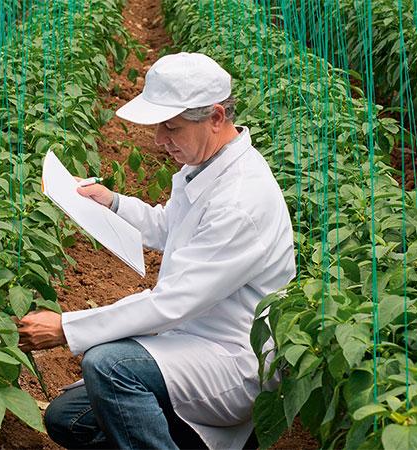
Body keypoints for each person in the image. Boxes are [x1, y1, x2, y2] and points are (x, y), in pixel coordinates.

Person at [16, 52, 296, 450]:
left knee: (109, 368)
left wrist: (66, 327)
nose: (159, 141)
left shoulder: (240, 200)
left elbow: (172, 303)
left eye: (171, 127)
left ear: (216, 117)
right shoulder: (206, 165)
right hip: (192, 342)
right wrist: (112, 202)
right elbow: (169, 226)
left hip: (231, 360)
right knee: (68, 419)